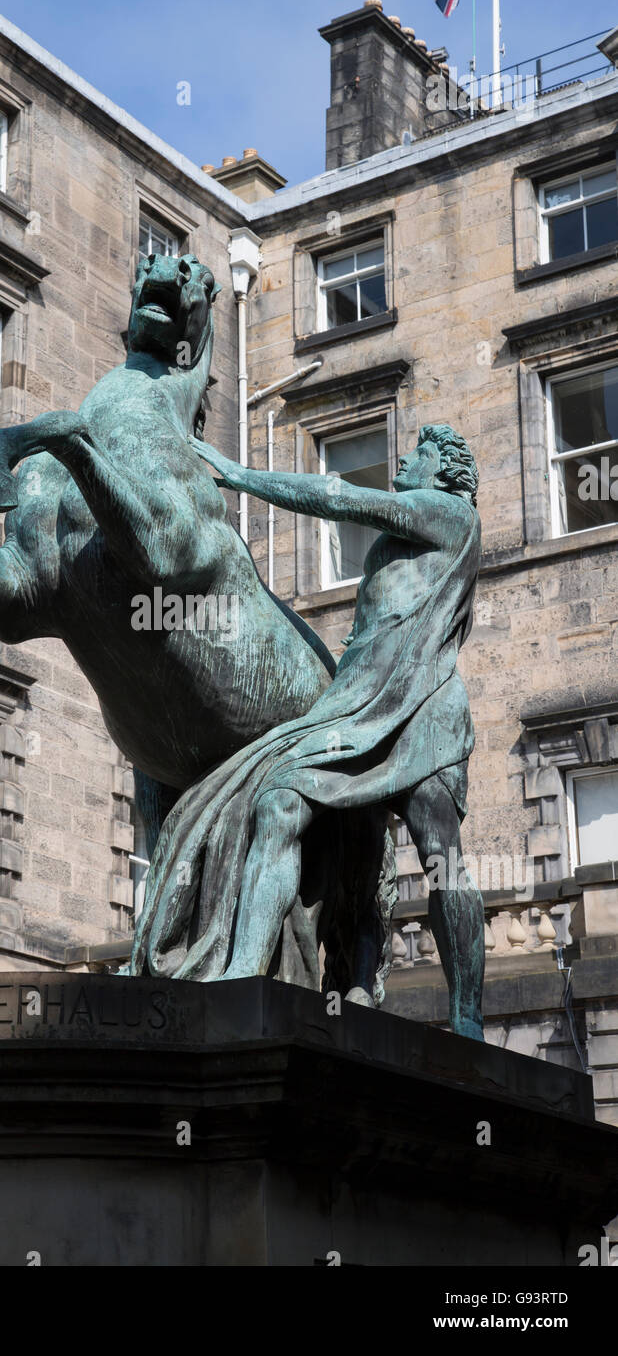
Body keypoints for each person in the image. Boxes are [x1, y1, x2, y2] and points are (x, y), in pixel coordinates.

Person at [130, 423, 485, 1041]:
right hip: (357, 706)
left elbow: (340, 499)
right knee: (279, 801)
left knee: (441, 854)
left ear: (446, 474)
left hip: (424, 705)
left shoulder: (449, 512)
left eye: (421, 453)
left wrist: (241, 477)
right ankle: (245, 972)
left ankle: (468, 1018)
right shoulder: (412, 530)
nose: (407, 457)